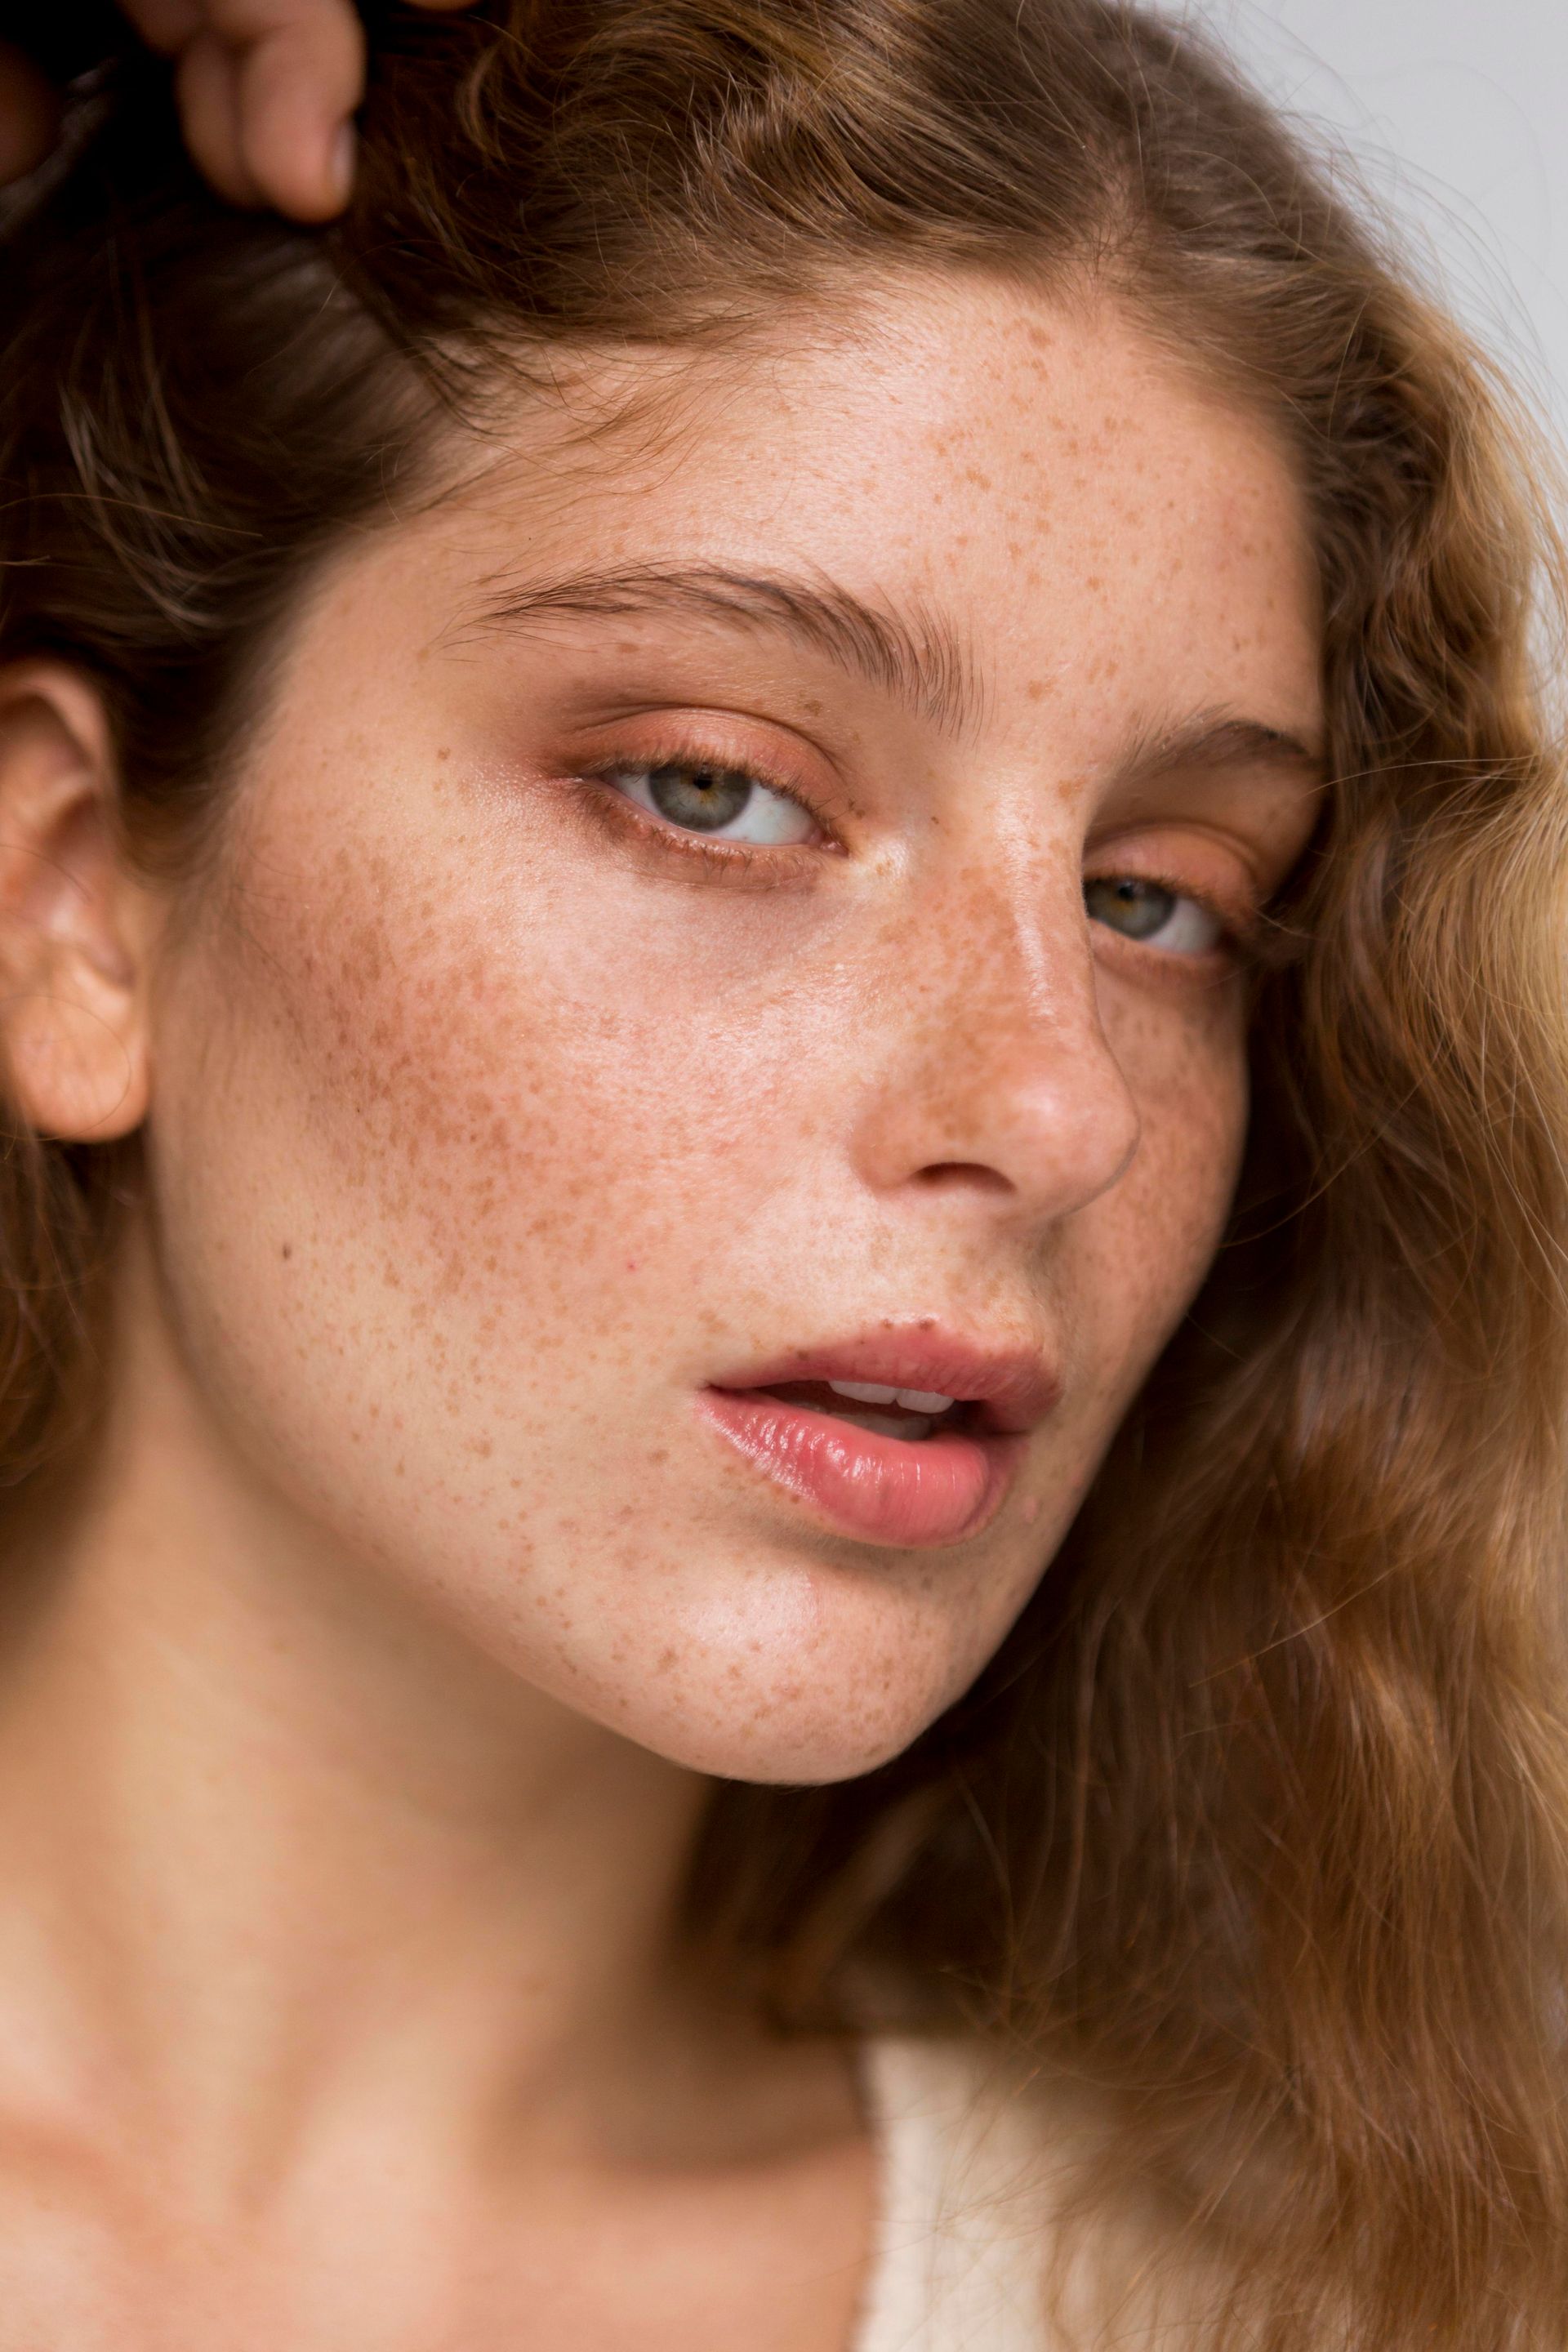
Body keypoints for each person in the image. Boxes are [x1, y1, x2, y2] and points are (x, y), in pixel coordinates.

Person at [0, 2, 1565, 2345]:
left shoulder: (1339, 2306)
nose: (1058, 1108)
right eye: (721, 789)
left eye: (1158, 900)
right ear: (74, 903)